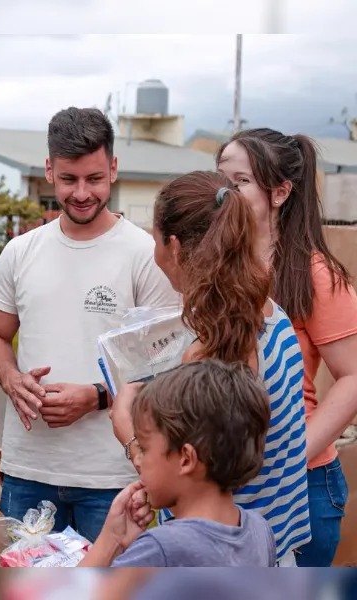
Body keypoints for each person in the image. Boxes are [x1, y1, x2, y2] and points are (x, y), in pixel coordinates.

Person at [0, 107, 178, 542]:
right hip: (27, 470)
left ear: (113, 168)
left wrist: (96, 397)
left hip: (114, 475)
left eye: (94, 178)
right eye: (69, 180)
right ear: (49, 170)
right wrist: (12, 379)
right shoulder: (20, 251)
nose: (82, 193)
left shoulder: (146, 255)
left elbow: (169, 365)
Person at [108, 170, 311, 565]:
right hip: (269, 543)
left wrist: (129, 433)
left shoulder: (208, 351)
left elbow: (192, 467)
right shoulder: (271, 313)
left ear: (175, 247)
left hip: (213, 556)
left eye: (154, 240)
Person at [217, 128, 357, 567]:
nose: (224, 193)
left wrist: (290, 456)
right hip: (231, 482)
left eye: (239, 182)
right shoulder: (216, 264)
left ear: (280, 193)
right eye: (220, 180)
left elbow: (352, 377)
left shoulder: (313, 274)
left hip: (305, 484)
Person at [78, 360, 276, 567]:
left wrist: (110, 540)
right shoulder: (259, 529)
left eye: (144, 449)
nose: (137, 458)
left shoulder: (160, 550)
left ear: (186, 459)